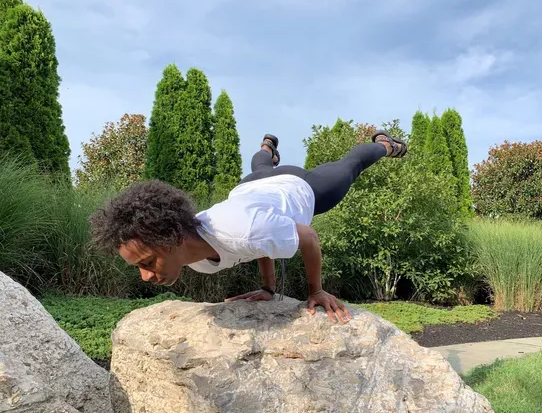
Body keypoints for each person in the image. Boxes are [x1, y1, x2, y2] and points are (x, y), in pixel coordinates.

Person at [89, 130, 407, 324]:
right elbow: (257, 243)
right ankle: (266, 149)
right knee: (259, 168)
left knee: (351, 165)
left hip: (297, 186)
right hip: (249, 189)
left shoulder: (237, 230)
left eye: (146, 263)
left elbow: (307, 237)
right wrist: (268, 289)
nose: (146, 276)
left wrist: (316, 291)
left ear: (172, 237)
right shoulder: (196, 259)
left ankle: (384, 144)